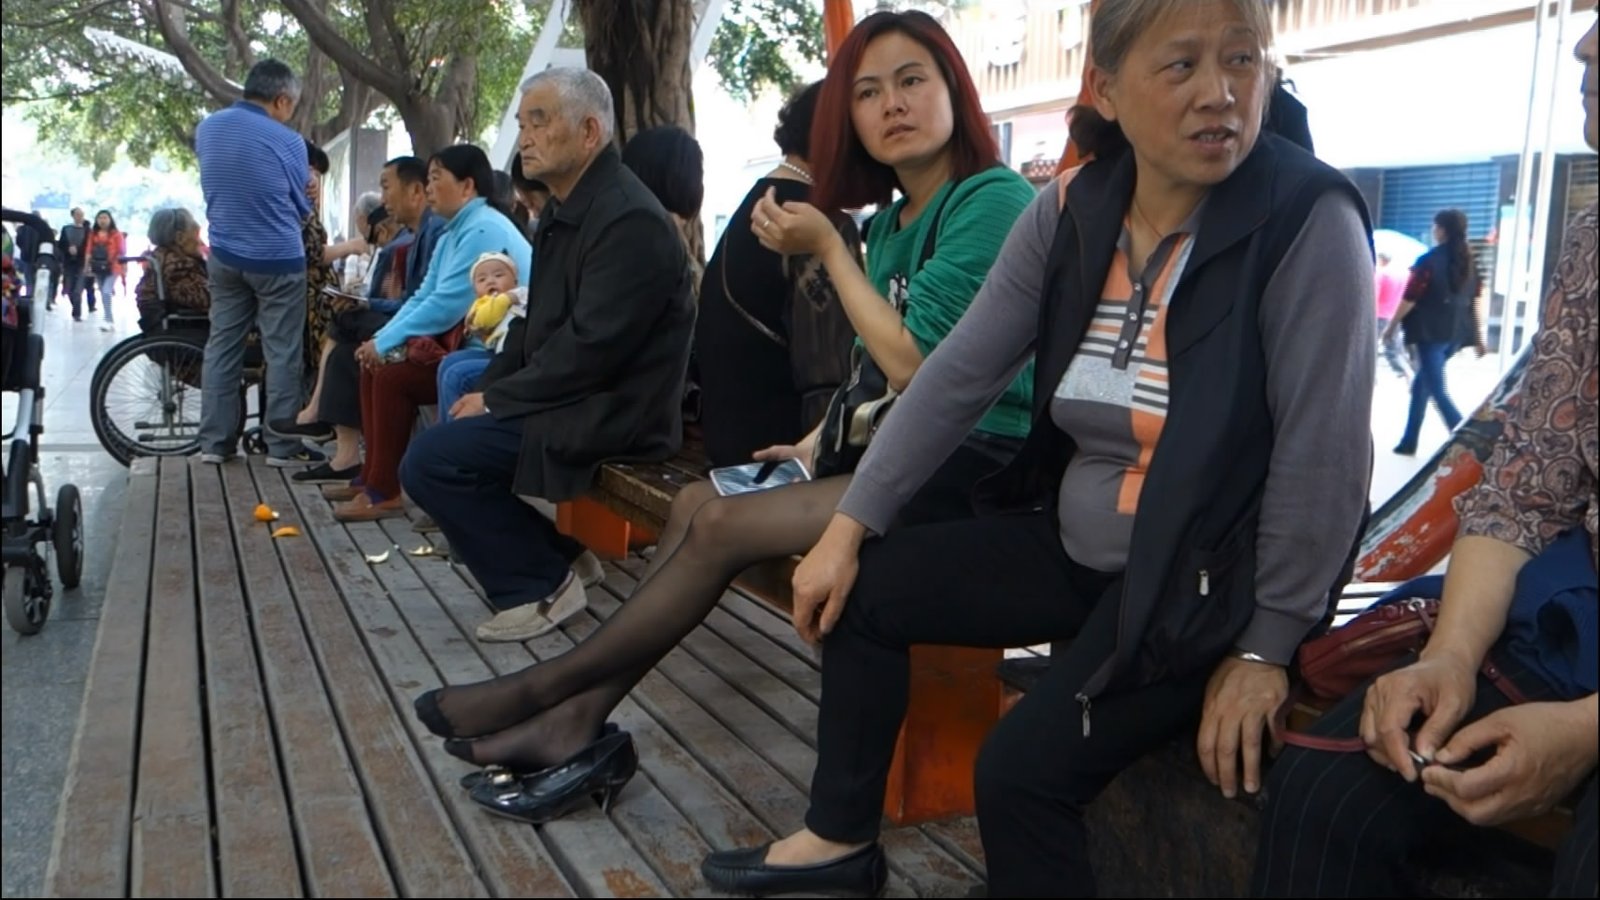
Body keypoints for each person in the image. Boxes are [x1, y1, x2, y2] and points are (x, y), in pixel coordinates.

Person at [691, 1, 1379, 895]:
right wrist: (850, 524)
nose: (1221, 94)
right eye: (1182, 67)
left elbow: (1324, 459)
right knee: (866, 592)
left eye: (1244, 61)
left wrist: (1266, 649)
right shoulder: (1073, 209)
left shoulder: (1306, 220)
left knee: (1018, 772)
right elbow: (955, 376)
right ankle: (839, 840)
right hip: (1077, 542)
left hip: (1196, 587)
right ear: (1106, 86)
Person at [408, 11, 1040, 819]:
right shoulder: (892, 224)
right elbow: (867, 377)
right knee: (704, 501)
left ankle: (546, 693)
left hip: (978, 461)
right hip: (894, 456)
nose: (891, 105)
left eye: (913, 81)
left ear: (956, 88)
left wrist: (830, 251)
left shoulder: (992, 198)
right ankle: (572, 718)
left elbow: (915, 362)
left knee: (717, 525)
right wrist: (813, 442)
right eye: (869, 91)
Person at [1251, 18, 1598, 898]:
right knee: (1326, 786)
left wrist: (1586, 734)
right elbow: (1525, 487)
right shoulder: (1592, 244)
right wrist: (1446, 658)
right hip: (1575, 626)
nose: (1584, 49)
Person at [397, 67, 693, 645]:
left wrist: (500, 398)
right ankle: (560, 557)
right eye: (521, 123)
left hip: (618, 411)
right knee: (454, 419)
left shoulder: (628, 218)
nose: (524, 137)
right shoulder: (565, 207)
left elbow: (593, 348)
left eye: (539, 121)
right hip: (579, 396)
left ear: (588, 132)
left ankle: (540, 583)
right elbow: (536, 327)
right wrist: (492, 387)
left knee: (431, 461)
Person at [323, 143, 531, 522]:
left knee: (391, 376)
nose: (429, 189)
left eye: (436, 179)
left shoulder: (481, 227)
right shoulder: (454, 231)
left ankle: (386, 491)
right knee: (377, 365)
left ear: (467, 187)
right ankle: (372, 480)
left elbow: (445, 305)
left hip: (507, 352)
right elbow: (424, 296)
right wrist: (381, 340)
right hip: (473, 343)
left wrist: (384, 341)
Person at [694, 81, 858, 466]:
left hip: (726, 439)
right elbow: (828, 374)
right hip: (782, 452)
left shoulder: (757, 202)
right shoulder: (818, 222)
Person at [279, 155, 446, 481]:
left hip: (434, 333)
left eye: (387, 188)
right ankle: (352, 462)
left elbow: (426, 303)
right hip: (415, 319)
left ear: (416, 191)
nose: (383, 200)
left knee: (349, 326)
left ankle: (371, 471)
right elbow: (418, 300)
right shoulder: (421, 234)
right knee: (346, 350)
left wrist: (378, 323)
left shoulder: (434, 232)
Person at [194, 58, 316, 467]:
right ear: (282, 100)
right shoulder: (289, 141)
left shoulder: (208, 128)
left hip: (224, 256)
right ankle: (282, 446)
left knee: (222, 346)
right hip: (278, 260)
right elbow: (301, 207)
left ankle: (215, 443)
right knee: (282, 352)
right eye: (292, 106)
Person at [1386, 208, 1487, 456]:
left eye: (1435, 226)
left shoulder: (1428, 261)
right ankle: (1408, 442)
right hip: (1456, 334)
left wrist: (1390, 327)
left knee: (1437, 390)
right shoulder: (1468, 262)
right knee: (1422, 385)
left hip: (1430, 333)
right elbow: (1474, 301)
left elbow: (1410, 297)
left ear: (1441, 230)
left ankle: (1469, 443)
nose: (1433, 230)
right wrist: (1478, 339)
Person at [436, 251, 526, 420]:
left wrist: (501, 300)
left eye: (499, 275)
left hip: (515, 357)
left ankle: (457, 430)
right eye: (481, 280)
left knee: (457, 374)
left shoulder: (520, 295)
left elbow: (484, 318)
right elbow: (476, 325)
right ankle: (445, 424)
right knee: (449, 361)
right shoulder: (483, 302)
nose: (491, 281)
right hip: (498, 353)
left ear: (515, 280)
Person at [134, 207, 210, 332]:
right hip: (189, 330)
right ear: (180, 238)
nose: (200, 242)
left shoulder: (160, 257)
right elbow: (208, 301)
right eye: (197, 236)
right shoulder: (178, 266)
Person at [84, 209, 125, 332]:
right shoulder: (93, 234)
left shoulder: (117, 234)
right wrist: (86, 266)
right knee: (103, 292)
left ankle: (107, 320)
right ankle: (109, 319)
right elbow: (88, 250)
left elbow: (122, 251)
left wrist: (123, 268)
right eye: (100, 217)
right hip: (98, 267)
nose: (102, 220)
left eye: (105, 217)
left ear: (110, 219)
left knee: (106, 292)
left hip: (113, 267)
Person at [1374, 250, 1410, 379]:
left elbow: (1375, 294)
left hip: (1380, 314)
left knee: (1373, 346)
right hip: (1396, 314)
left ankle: (1403, 371)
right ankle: (1405, 369)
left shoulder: (1381, 274)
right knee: (1394, 345)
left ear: (1382, 260)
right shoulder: (1403, 274)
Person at [57, 208, 92, 321]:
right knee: (69, 289)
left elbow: (89, 247)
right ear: (73, 216)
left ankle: (77, 314)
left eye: (81, 215)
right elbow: (60, 245)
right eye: (77, 215)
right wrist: (68, 249)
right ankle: (75, 307)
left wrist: (78, 250)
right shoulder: (66, 229)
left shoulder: (88, 231)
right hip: (68, 264)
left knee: (78, 290)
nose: (79, 217)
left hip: (82, 263)